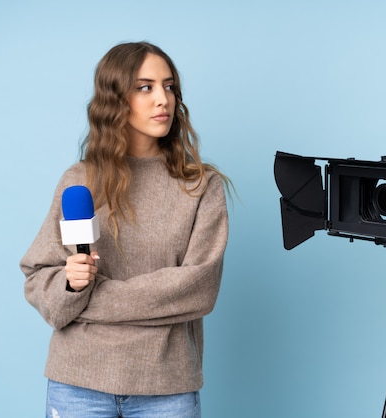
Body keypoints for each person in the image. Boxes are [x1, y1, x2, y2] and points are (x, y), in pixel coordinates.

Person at [20, 41, 230, 418]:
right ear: (115, 98)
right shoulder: (79, 182)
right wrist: (70, 284)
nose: (162, 99)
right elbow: (41, 282)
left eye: (169, 86)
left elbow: (199, 289)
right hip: (77, 384)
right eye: (144, 87)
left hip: (166, 387)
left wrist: (90, 302)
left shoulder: (201, 186)